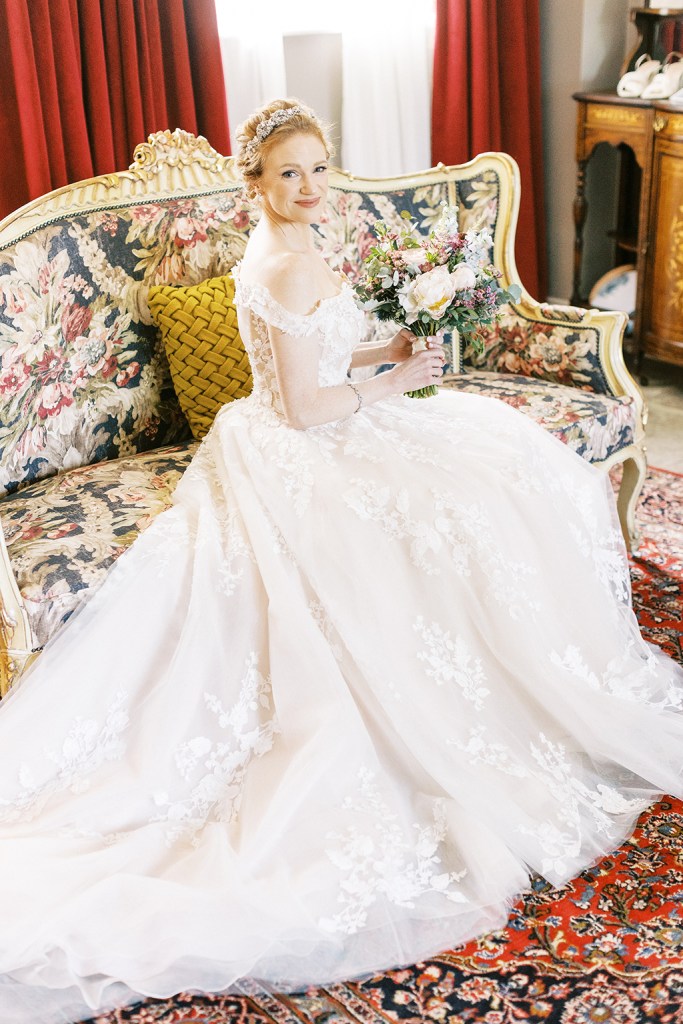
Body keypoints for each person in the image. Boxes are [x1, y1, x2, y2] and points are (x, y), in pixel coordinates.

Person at [0, 97, 682, 1024]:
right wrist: (398, 379)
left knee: (507, 475)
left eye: (319, 168)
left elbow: (321, 354)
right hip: (300, 447)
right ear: (256, 184)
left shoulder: (301, 249)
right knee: (450, 515)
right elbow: (306, 410)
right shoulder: (279, 262)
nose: (310, 186)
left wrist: (387, 347)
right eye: (289, 173)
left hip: (327, 418)